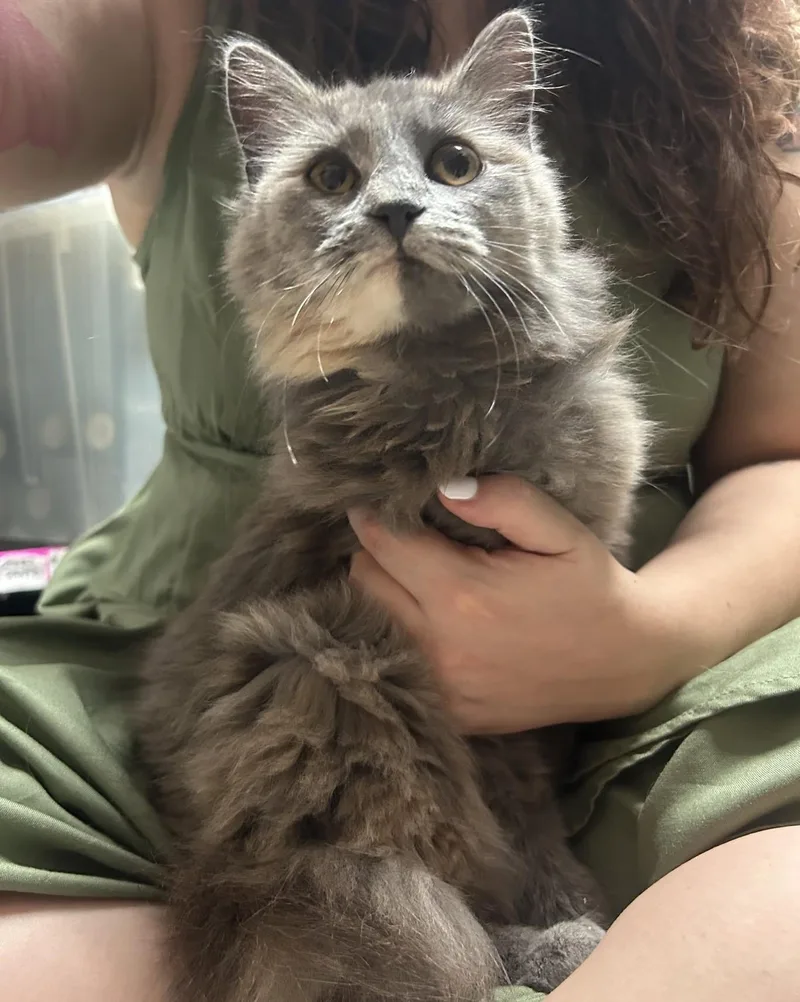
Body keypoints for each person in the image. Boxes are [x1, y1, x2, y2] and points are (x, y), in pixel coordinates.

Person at [1, 1, 799, 999]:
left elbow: (784, 455)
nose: (392, 201)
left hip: (671, 662)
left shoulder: (730, 69)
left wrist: (644, 636)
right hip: (212, 680)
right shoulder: (172, 26)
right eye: (333, 177)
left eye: (453, 163)